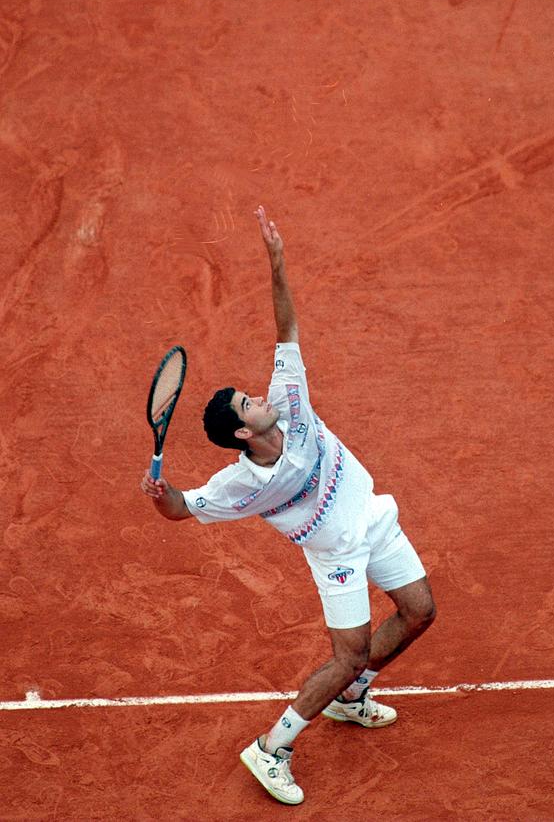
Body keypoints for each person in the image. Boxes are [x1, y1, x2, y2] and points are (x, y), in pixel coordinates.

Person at [140, 205, 436, 806]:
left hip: (374, 518)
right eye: (248, 404)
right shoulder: (237, 486)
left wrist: (277, 262)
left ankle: (351, 699)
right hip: (337, 554)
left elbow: (287, 328)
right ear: (243, 434)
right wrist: (160, 494)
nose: (259, 398)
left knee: (419, 610)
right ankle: (272, 746)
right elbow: (179, 508)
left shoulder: (290, 400)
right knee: (347, 653)